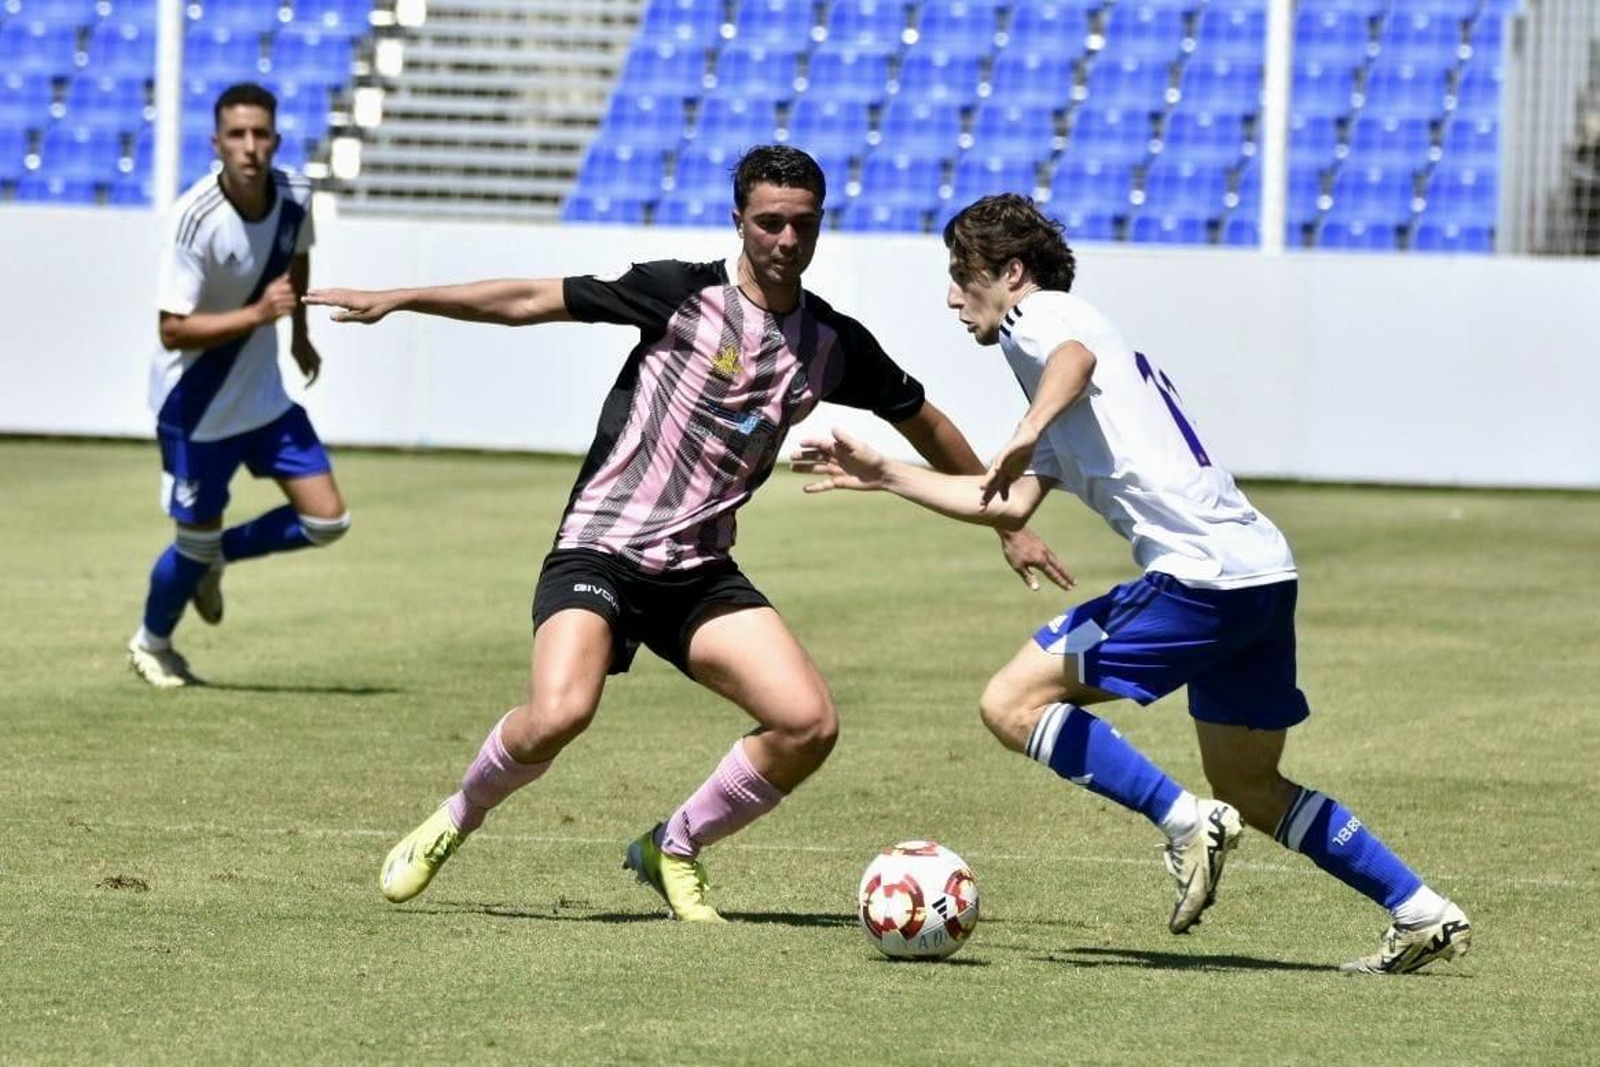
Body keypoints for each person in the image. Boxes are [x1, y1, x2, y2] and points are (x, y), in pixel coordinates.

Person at [303, 146, 1069, 921]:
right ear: (738, 219)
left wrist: (1002, 519)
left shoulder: (830, 341)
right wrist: (401, 298)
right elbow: (532, 297)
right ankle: (455, 817)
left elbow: (924, 418)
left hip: (698, 570)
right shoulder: (677, 294)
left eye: (802, 224)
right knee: (561, 712)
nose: (785, 239)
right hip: (601, 545)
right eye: (769, 222)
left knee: (809, 723)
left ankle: (671, 847)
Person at [791, 193, 1472, 975]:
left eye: (961, 275)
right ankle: (1421, 911)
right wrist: (885, 473)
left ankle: (1185, 823)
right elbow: (1006, 500)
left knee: (1010, 701)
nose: (952, 296)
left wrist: (1028, 427)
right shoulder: (1058, 360)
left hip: (1195, 583)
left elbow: (1069, 364)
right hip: (1258, 575)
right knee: (1249, 783)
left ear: (1010, 273)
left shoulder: (1041, 317)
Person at [128, 82, 351, 688]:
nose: (250, 147)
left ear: (275, 140)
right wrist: (259, 317)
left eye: (260, 134)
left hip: (264, 397)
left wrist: (300, 332)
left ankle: (215, 557)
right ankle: (152, 643)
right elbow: (172, 330)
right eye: (237, 135)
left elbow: (294, 256)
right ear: (216, 143)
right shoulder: (194, 218)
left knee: (327, 521)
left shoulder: (294, 194)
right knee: (189, 544)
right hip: (193, 408)